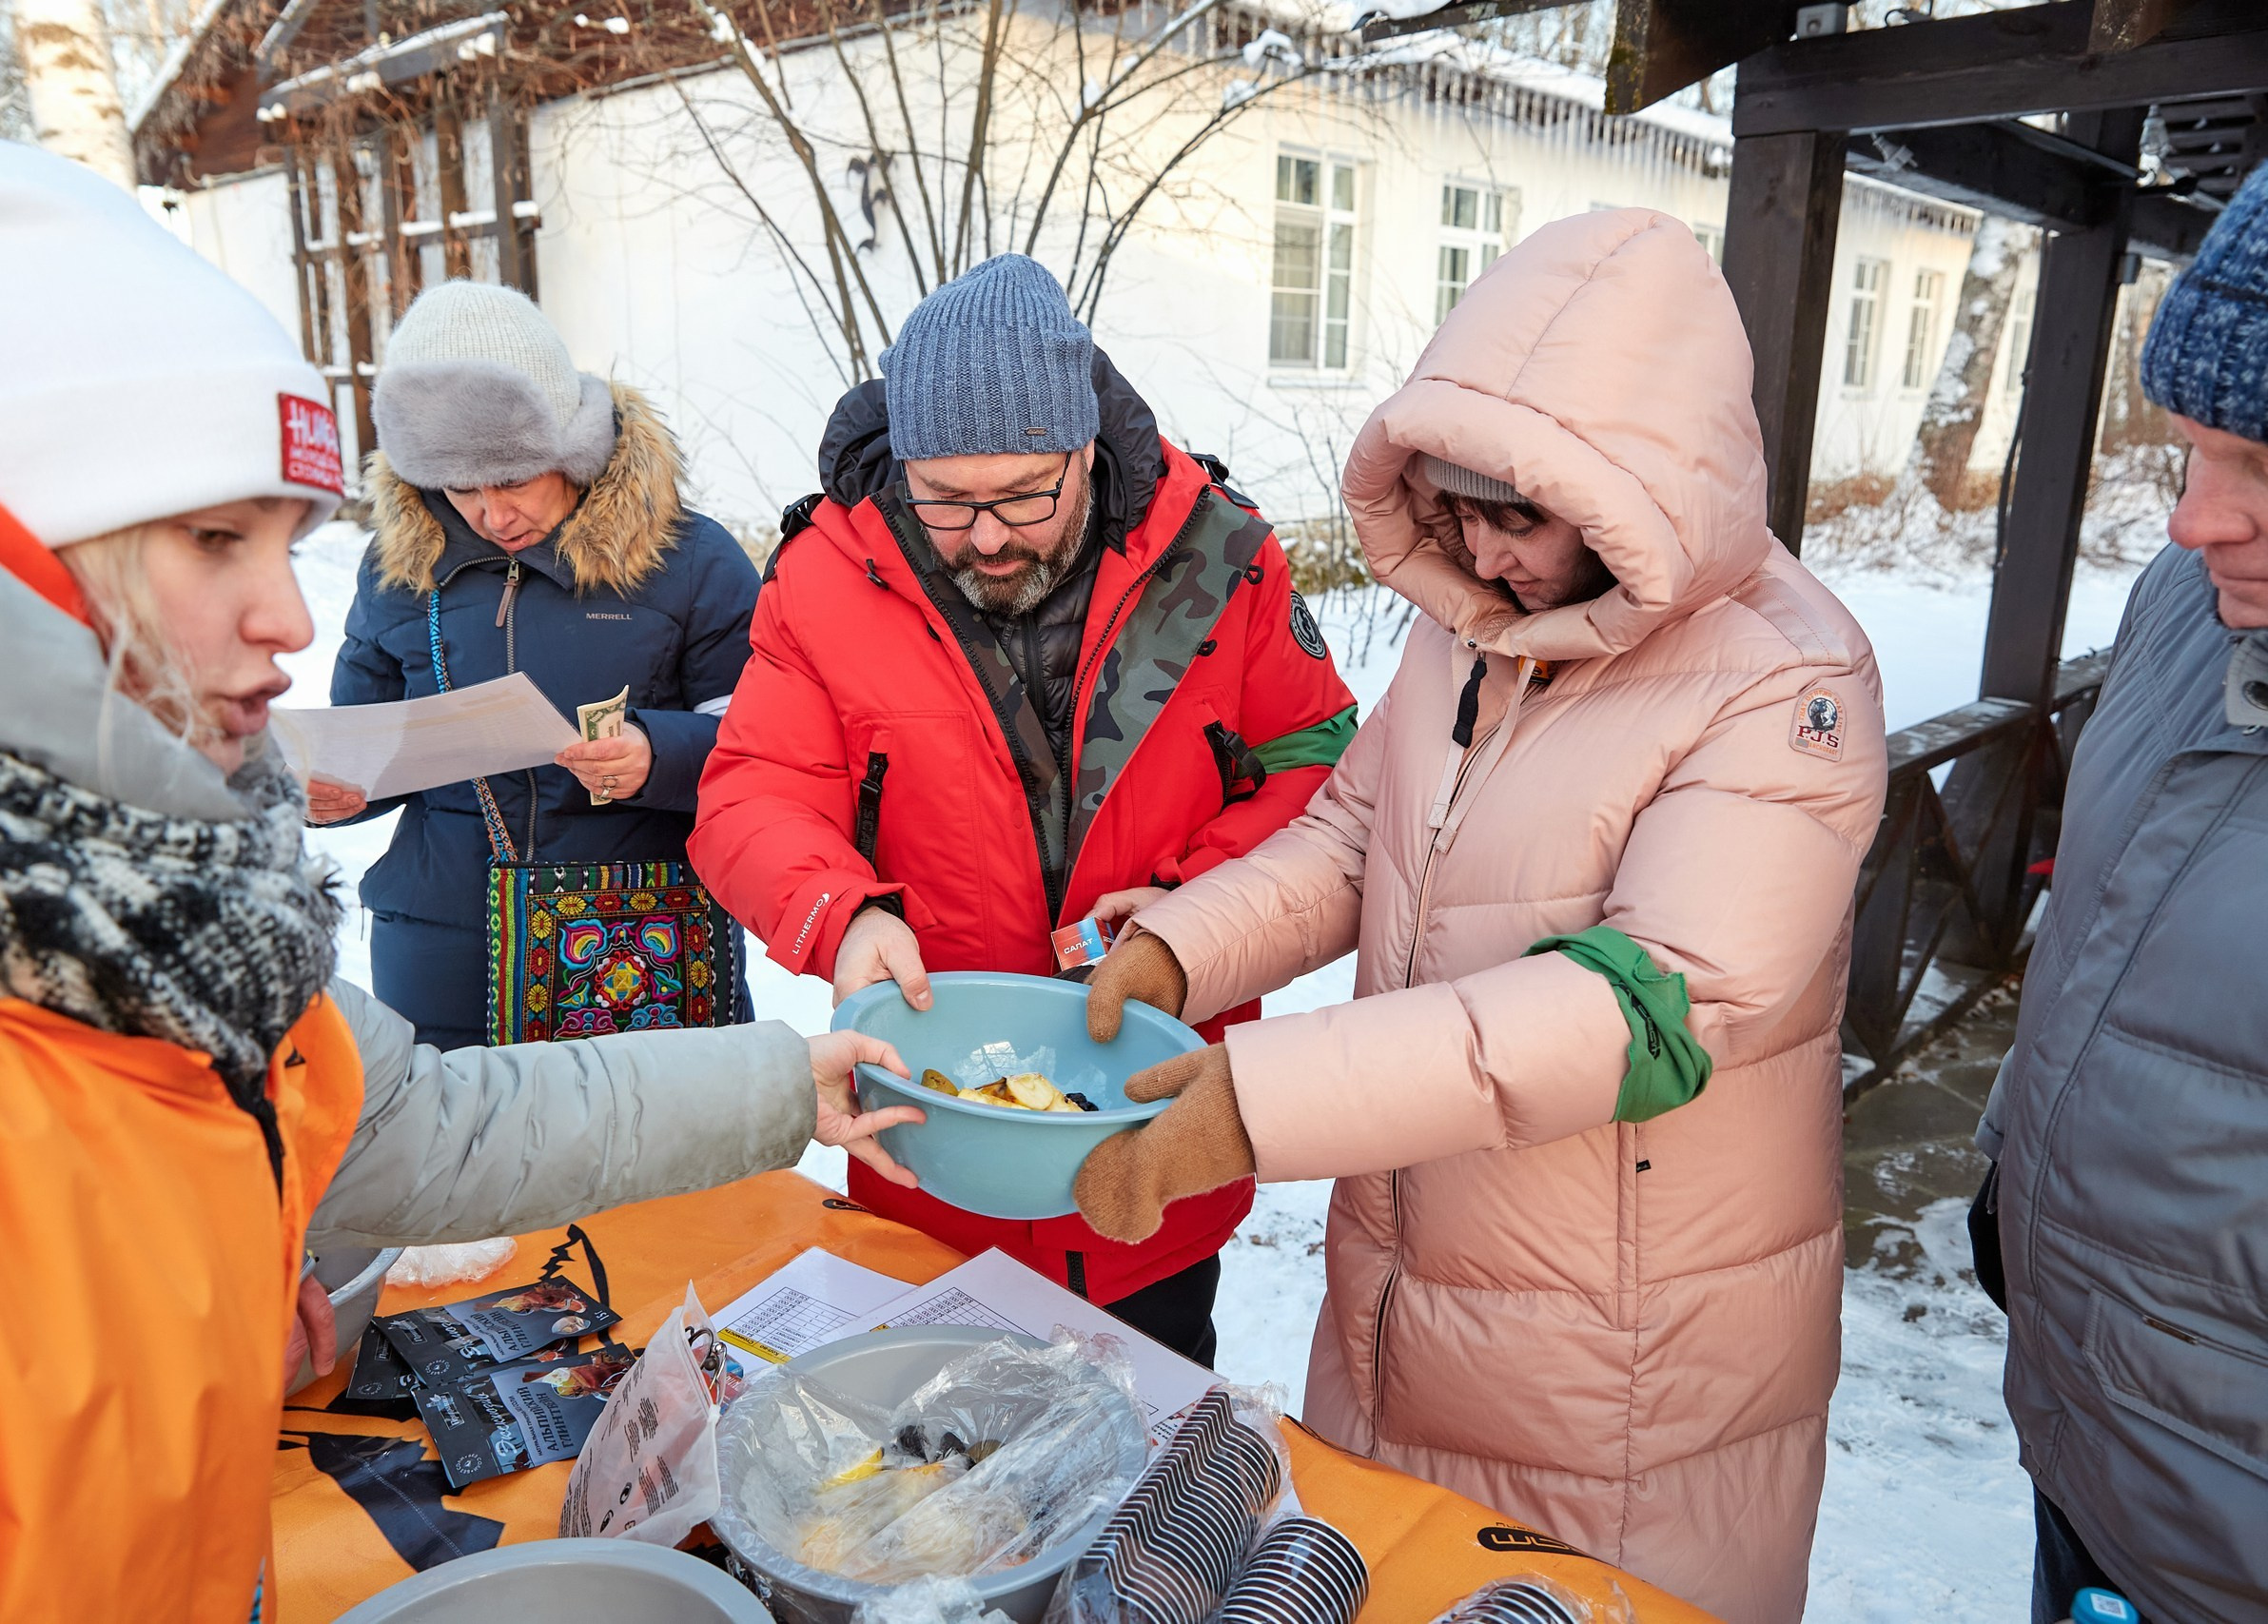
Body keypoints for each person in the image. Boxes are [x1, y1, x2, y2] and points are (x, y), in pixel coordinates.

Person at [0, 106, 918, 1618]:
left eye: (289, 540)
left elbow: (412, 1121)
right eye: (220, 538)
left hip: (627, 944)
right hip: (451, 920)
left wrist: (772, 1064)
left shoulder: (175, 933)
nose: (286, 614)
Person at [1073, 210, 1887, 1624]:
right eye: (1457, 511)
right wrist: (1184, 946)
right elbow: (1351, 834)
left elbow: (1656, 1003)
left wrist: (1261, 1100)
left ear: (1645, 494)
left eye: (1525, 517)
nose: (1487, 553)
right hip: (1410, 1269)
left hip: (1619, 1345)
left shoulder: (1782, 683)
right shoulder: (1475, 621)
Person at [690, 255, 1359, 1361]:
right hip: (933, 1154)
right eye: (945, 501)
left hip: (1151, 1139)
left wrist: (1197, 909)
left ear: (1085, 450)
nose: (986, 536)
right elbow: (750, 791)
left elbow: (1323, 769)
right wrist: (840, 916)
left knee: (1144, 1474)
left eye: (1021, 496)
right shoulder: (823, 571)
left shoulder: (1222, 558)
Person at [1969, 163, 2268, 1624]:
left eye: (2264, 468)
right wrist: (2011, 1154)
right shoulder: (2185, 611)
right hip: (2088, 1466)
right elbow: (2111, 927)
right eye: (2190, 450)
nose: (2193, 521)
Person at [313, 279, 761, 1047]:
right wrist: (331, 790)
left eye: (514, 478)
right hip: (441, 966)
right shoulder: (396, 569)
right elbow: (364, 740)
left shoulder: (690, 560)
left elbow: (769, 747)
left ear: (572, 446)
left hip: (634, 955)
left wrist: (656, 754)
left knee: (660, 1167)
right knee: (454, 1165)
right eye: (460, 486)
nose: (492, 513)